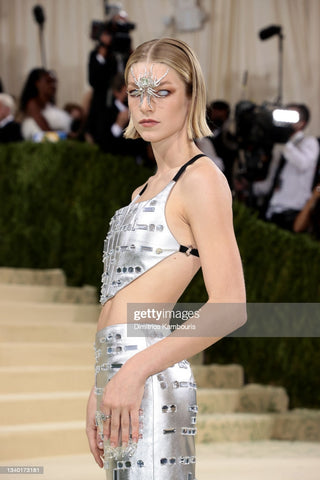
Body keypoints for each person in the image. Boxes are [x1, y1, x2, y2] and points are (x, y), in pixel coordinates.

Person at [86, 38, 247, 480]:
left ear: (192, 96)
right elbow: (121, 303)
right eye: (136, 91)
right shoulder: (142, 191)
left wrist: (132, 371)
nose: (146, 104)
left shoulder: (201, 180)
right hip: (119, 376)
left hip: (150, 377)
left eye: (163, 90)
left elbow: (230, 306)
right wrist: (101, 384)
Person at [252, 104, 319, 231]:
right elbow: (272, 181)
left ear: (302, 123)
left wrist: (284, 142)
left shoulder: (309, 143)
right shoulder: (282, 147)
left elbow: (303, 164)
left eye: (291, 117)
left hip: (292, 212)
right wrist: (250, 187)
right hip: (272, 210)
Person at [19, 68, 71, 140]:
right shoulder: (32, 104)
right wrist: (67, 136)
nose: (53, 85)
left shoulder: (50, 104)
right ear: (37, 83)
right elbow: (45, 130)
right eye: (48, 82)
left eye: (54, 82)